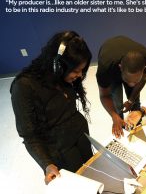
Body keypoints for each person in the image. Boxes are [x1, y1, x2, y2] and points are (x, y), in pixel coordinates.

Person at [10, 31, 93, 184]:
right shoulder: (24, 87)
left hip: (81, 138)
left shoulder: (63, 77)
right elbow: (29, 135)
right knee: (78, 186)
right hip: (60, 151)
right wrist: (47, 165)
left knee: (92, 177)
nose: (80, 75)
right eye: (75, 70)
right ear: (57, 65)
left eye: (82, 70)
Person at [96, 36, 146, 138]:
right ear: (120, 68)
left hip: (126, 63)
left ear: (144, 69)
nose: (131, 84)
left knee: (135, 102)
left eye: (135, 80)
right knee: (117, 105)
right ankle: (122, 132)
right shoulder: (105, 69)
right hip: (110, 59)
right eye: (127, 80)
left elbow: (142, 80)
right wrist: (114, 116)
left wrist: (131, 100)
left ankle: (136, 126)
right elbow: (104, 96)